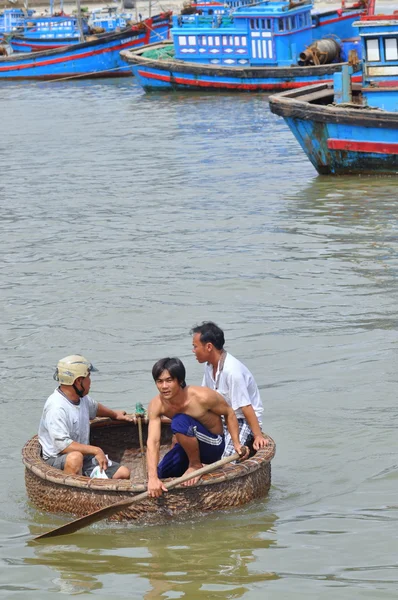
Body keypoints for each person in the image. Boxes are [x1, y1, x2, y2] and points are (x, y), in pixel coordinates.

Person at [146, 357, 247, 498]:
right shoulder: (156, 405)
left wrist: (236, 443)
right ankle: (190, 467)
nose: (164, 386)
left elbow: (229, 412)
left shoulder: (202, 396)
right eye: (159, 381)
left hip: (213, 445)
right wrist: (153, 478)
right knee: (162, 472)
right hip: (188, 444)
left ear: (180, 381)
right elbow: (153, 441)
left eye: (169, 381)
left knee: (179, 420)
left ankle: (196, 465)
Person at [38, 354, 133, 479]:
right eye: (88, 377)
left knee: (123, 473)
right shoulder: (56, 407)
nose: (90, 382)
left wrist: (115, 414)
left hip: (85, 457)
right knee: (75, 458)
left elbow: (95, 408)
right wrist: (96, 450)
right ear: (78, 381)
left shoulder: (82, 399)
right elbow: (62, 446)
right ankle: (69, 494)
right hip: (56, 459)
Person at [190, 322, 269, 457]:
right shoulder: (209, 366)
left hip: (242, 419)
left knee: (226, 459)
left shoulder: (232, 371)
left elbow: (246, 407)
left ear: (209, 347)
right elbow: (205, 397)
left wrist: (258, 436)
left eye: (195, 347)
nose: (193, 351)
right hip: (221, 417)